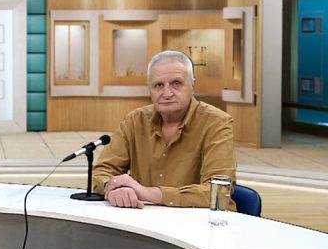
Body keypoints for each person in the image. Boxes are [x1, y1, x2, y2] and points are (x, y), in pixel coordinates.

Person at [92, 50, 236, 209]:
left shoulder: (217, 123)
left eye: (176, 83)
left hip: (200, 220)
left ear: (192, 85)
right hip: (144, 217)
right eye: (158, 85)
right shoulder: (134, 121)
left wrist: (147, 193)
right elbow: (103, 171)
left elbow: (219, 191)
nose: (167, 94)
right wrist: (113, 188)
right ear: (149, 88)